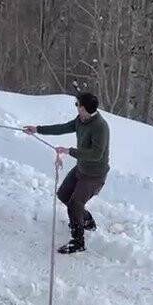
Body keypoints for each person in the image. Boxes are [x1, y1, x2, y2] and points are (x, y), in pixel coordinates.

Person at [23, 92, 109, 254]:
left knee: (75, 204)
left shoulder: (100, 127)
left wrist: (70, 151)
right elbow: (63, 128)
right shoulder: (81, 120)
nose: (76, 107)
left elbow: (96, 154)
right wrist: (37, 129)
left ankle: (78, 241)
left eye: (77, 104)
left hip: (94, 175)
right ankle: (87, 220)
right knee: (63, 195)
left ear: (83, 108)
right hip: (81, 169)